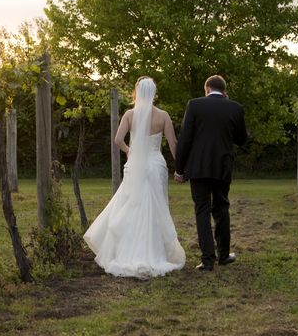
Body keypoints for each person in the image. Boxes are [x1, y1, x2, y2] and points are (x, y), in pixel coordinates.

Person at [83, 77, 186, 278]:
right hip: (156, 165)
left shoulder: (130, 114)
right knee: (157, 208)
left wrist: (131, 152)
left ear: (137, 92)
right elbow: (174, 144)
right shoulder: (163, 116)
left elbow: (118, 140)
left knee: (132, 205)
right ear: (154, 93)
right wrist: (180, 168)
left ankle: (127, 251)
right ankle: (156, 252)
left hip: (136, 165)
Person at [174, 75, 248, 271]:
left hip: (198, 167)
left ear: (207, 88)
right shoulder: (235, 107)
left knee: (202, 210)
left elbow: (185, 139)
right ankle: (223, 256)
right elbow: (242, 139)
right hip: (222, 166)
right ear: (224, 90)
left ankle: (207, 260)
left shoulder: (194, 105)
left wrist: (179, 169)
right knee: (222, 207)